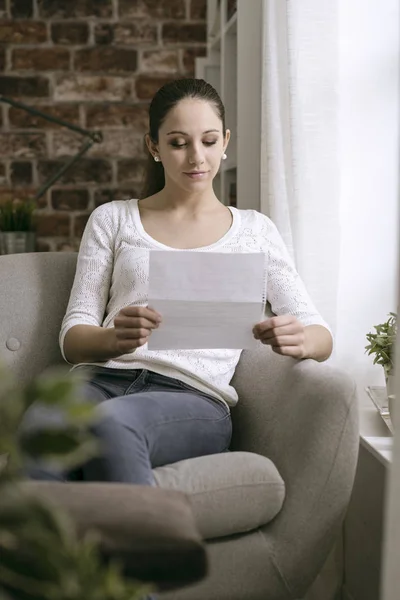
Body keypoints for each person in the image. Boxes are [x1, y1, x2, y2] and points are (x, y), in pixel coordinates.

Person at [24, 78, 332, 484]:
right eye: (177, 143)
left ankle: (148, 548)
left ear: (225, 141)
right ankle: (50, 549)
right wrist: (113, 338)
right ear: (153, 147)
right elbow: (72, 336)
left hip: (191, 398)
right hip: (98, 381)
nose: (196, 157)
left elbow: (320, 334)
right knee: (41, 426)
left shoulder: (255, 231)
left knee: (113, 424)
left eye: (207, 141)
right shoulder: (113, 219)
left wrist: (300, 338)